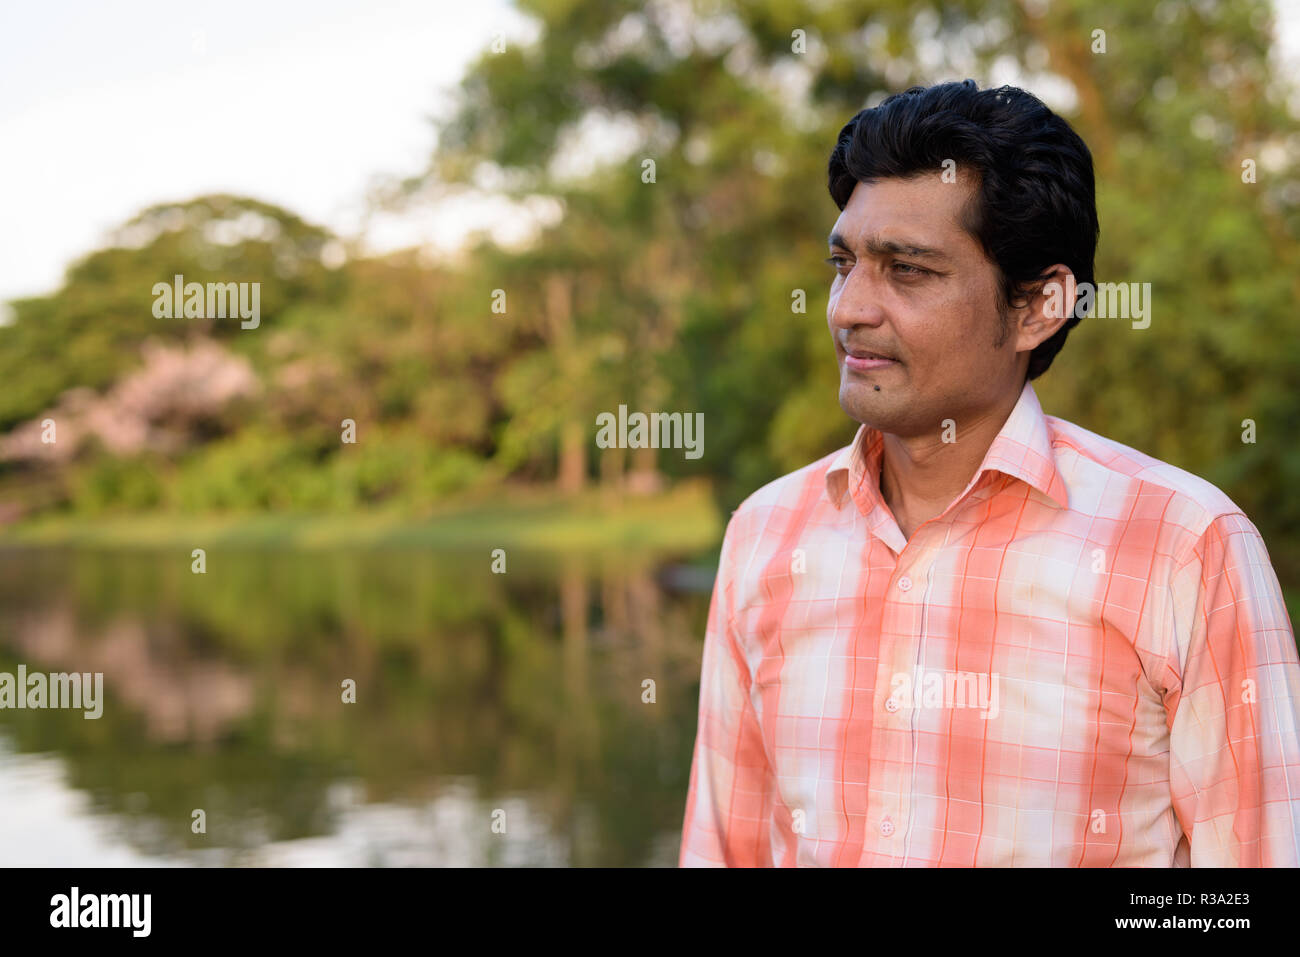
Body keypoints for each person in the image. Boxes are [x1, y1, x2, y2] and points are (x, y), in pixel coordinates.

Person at [678, 79, 1300, 867]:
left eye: (906, 271)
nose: (848, 308)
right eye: (845, 262)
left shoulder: (1184, 545)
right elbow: (724, 851)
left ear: (1038, 305)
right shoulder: (767, 534)